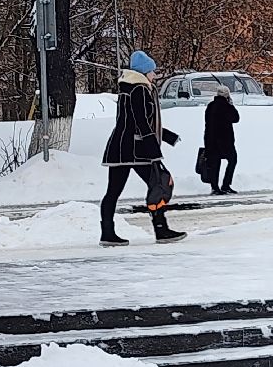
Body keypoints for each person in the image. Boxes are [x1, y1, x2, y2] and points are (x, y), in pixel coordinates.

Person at [100, 51, 185, 245]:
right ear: (144, 72)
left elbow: (137, 120)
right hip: (135, 149)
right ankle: (161, 230)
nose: (154, 75)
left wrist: (166, 136)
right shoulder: (139, 89)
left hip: (121, 147)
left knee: (113, 191)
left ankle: (107, 233)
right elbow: (141, 122)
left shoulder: (127, 88)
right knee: (159, 185)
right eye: (152, 72)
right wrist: (154, 150)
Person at [202, 84, 240, 194]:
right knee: (232, 160)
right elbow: (236, 118)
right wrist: (231, 105)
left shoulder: (210, 106)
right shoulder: (227, 106)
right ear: (227, 95)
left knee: (215, 164)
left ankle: (215, 187)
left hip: (211, 139)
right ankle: (226, 184)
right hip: (225, 140)